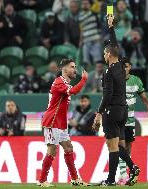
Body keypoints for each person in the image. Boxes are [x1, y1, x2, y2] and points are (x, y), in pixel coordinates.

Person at [92, 15, 140, 186]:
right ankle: (132, 167)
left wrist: (98, 113)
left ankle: (111, 180)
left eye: (105, 53)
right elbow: (115, 45)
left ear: (108, 54)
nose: (104, 55)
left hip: (111, 110)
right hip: (123, 111)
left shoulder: (108, 72)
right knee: (118, 145)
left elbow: (107, 95)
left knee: (112, 146)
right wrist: (111, 26)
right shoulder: (120, 65)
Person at [38, 59, 89, 187]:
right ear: (64, 69)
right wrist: (83, 80)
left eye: (75, 67)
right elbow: (73, 92)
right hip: (52, 121)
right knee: (52, 150)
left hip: (61, 122)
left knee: (68, 148)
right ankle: (42, 180)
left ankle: (75, 179)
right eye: (72, 67)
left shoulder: (66, 83)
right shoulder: (59, 82)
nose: (75, 69)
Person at [117, 57, 148, 185]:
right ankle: (122, 175)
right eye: (122, 66)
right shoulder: (116, 80)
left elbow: (143, 97)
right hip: (119, 119)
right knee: (120, 146)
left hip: (131, 119)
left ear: (130, 67)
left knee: (128, 148)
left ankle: (129, 172)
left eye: (126, 66)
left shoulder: (136, 80)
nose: (124, 69)